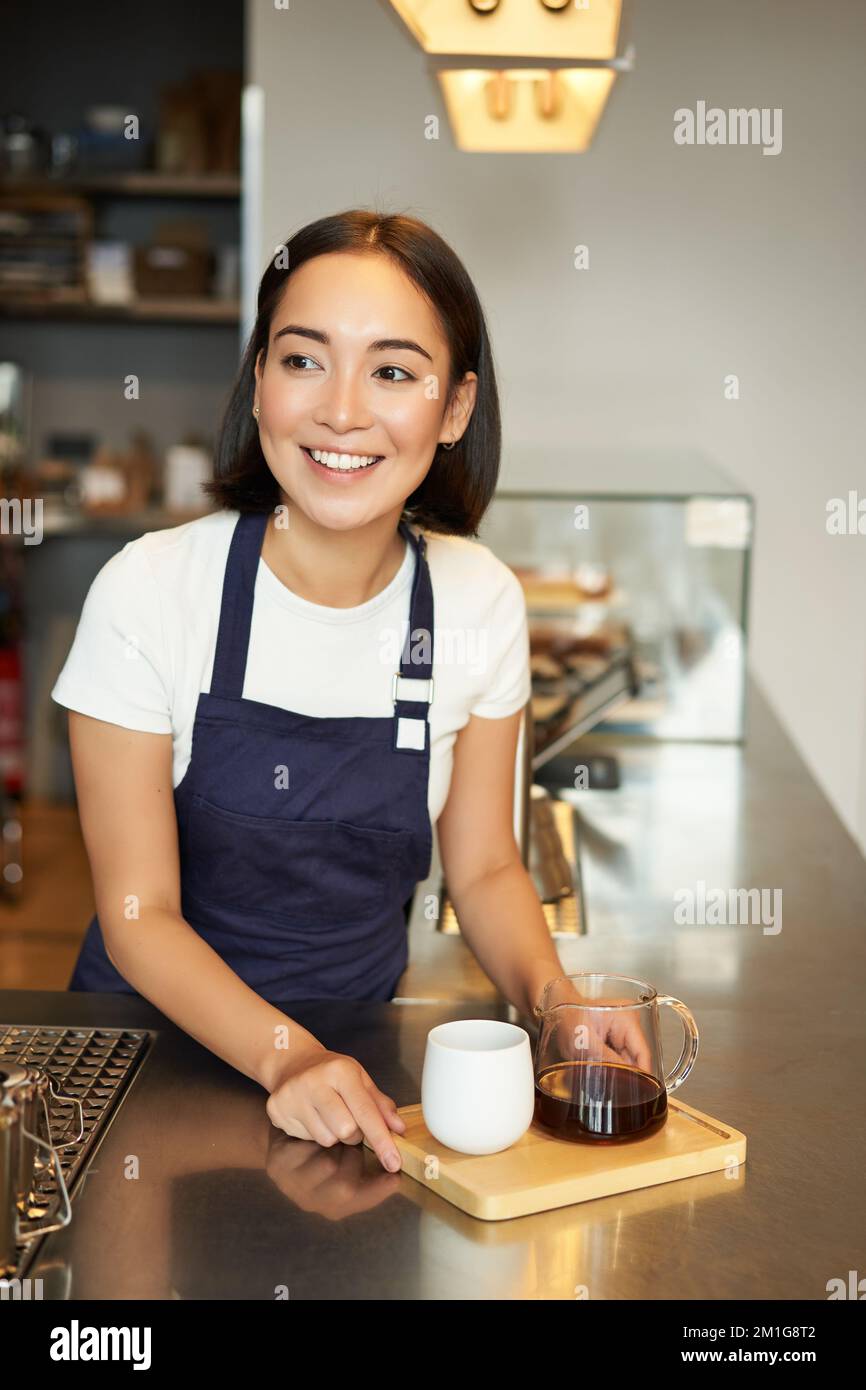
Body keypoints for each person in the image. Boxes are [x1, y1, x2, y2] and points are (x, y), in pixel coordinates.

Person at [52, 209, 575, 1173]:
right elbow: (138, 917)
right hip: (142, 1065)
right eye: (303, 360)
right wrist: (286, 1054)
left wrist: (558, 1004)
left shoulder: (477, 599)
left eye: (393, 370)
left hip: (355, 1074)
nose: (341, 410)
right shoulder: (150, 590)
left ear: (454, 409)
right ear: (258, 382)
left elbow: (489, 868)